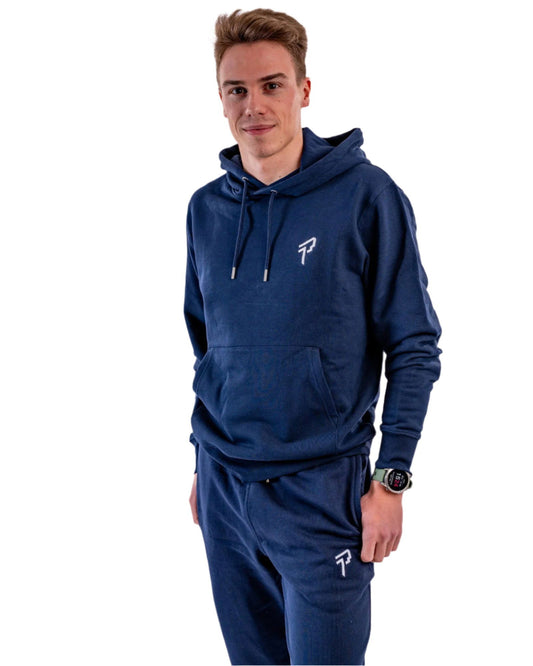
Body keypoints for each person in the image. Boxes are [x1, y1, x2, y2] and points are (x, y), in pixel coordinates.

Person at [184, 8, 441, 665]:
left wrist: (391, 480)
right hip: (223, 488)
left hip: (323, 490)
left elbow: (414, 345)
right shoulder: (206, 210)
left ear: (303, 89)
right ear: (220, 98)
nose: (254, 106)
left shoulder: (366, 196)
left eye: (271, 85)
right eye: (236, 90)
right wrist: (201, 460)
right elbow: (208, 343)